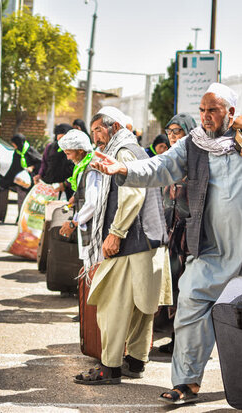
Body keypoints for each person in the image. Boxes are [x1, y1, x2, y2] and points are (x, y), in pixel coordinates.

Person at [90, 83, 242, 403]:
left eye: (213, 111)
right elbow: (160, 167)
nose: (205, 117)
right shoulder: (195, 144)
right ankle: (187, 383)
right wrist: (124, 168)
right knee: (190, 302)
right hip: (212, 249)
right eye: (202, 110)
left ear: (231, 112)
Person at [73, 106, 169, 385]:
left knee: (110, 305)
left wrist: (115, 233)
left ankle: (110, 367)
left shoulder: (123, 152)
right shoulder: (137, 149)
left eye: (98, 130)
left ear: (113, 127)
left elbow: (132, 196)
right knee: (142, 308)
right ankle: (136, 362)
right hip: (149, 242)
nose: (96, 137)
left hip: (129, 242)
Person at [157, 112, 198, 354]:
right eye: (169, 132)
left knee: (186, 290)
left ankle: (183, 343)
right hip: (170, 234)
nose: (172, 136)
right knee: (171, 287)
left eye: (177, 131)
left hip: (188, 237)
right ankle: (174, 338)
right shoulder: (167, 160)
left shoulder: (196, 161)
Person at [56, 129, 100, 270]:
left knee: (93, 270)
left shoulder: (91, 168)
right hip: (87, 228)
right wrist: (76, 197)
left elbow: (92, 203)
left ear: (80, 151)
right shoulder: (83, 166)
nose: (68, 158)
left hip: (94, 231)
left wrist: (73, 223)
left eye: (69, 153)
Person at [0, 133, 42, 214]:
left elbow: (40, 162)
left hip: (32, 180)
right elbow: (13, 167)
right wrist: (5, 181)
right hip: (21, 182)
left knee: (30, 201)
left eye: (14, 144)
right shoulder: (17, 153)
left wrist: (32, 167)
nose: (14, 146)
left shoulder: (30, 150)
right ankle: (20, 218)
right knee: (21, 200)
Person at [34, 123, 75, 199]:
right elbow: (44, 163)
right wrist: (39, 175)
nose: (62, 142)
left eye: (64, 139)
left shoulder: (75, 150)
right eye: (59, 139)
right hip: (50, 188)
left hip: (67, 191)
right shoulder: (50, 147)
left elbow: (77, 170)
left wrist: (66, 184)